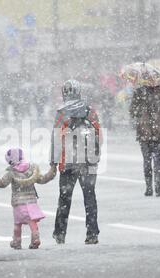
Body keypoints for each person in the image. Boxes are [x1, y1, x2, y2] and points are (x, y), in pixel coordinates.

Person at [50, 79, 102, 245]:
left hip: (68, 162)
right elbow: (99, 136)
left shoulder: (62, 113)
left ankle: (60, 232)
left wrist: (53, 162)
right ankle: (92, 232)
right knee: (90, 197)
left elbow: (57, 140)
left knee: (65, 198)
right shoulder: (90, 111)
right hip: (88, 162)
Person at [0, 148, 56, 249]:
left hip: (18, 202)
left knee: (17, 224)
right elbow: (42, 179)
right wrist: (51, 173)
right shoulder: (31, 170)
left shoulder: (11, 172)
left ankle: (17, 242)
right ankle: (35, 238)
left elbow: (2, 183)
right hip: (31, 202)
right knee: (32, 221)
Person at [130, 83, 160, 197]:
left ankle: (149, 187)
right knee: (157, 160)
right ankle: (157, 187)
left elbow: (132, 112)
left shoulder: (139, 93)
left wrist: (140, 109)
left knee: (147, 160)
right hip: (159, 132)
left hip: (145, 132)